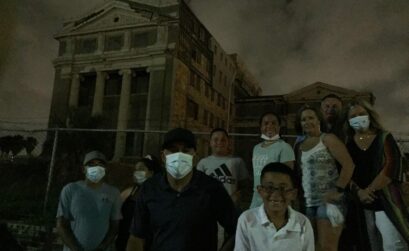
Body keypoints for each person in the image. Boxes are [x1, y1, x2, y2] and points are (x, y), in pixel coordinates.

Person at [126, 128, 238, 251]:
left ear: (194, 155)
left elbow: (237, 229)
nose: (179, 155)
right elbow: (136, 237)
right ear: (163, 156)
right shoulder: (150, 188)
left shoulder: (211, 188)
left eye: (185, 151)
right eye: (173, 150)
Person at [344, 99, 409, 250]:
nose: (358, 118)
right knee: (371, 246)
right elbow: (346, 172)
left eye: (362, 114)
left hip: (386, 201)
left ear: (370, 115)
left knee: (394, 244)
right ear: (348, 121)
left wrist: (369, 190)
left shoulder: (384, 137)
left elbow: (391, 166)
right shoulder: (348, 144)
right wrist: (359, 192)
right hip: (363, 205)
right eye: (353, 116)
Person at [294, 105, 355, 251]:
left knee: (327, 247)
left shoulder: (328, 139)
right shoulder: (299, 145)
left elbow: (349, 165)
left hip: (329, 203)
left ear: (318, 120)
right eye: (303, 119)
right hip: (309, 204)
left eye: (311, 118)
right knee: (312, 247)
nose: (307, 122)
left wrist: (338, 190)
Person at [235, 162, 314, 251]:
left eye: (283, 188)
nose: (276, 194)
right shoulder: (247, 219)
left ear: (293, 194)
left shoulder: (302, 223)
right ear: (260, 190)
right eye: (269, 188)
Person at [56, 150, 122, 251]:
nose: (96, 167)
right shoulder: (71, 189)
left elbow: (115, 226)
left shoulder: (114, 193)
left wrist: (102, 247)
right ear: (83, 169)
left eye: (100, 164)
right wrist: (76, 249)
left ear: (106, 169)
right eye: (91, 164)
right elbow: (61, 224)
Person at [250, 112, 295, 209]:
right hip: (256, 199)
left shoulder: (284, 147)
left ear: (279, 127)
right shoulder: (256, 148)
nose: (269, 126)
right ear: (261, 127)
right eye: (266, 123)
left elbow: (287, 178)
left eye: (273, 123)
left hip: (275, 198)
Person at [197, 128, 250, 209]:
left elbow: (245, 186)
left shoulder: (237, 161)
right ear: (210, 142)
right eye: (216, 140)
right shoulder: (203, 163)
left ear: (228, 142)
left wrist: (236, 196)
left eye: (223, 140)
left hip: (231, 209)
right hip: (208, 209)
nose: (219, 142)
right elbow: (198, 187)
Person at [115, 155, 160, 251]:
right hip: (124, 242)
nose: (137, 172)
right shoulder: (128, 193)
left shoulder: (158, 197)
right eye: (136, 169)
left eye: (141, 169)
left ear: (151, 173)